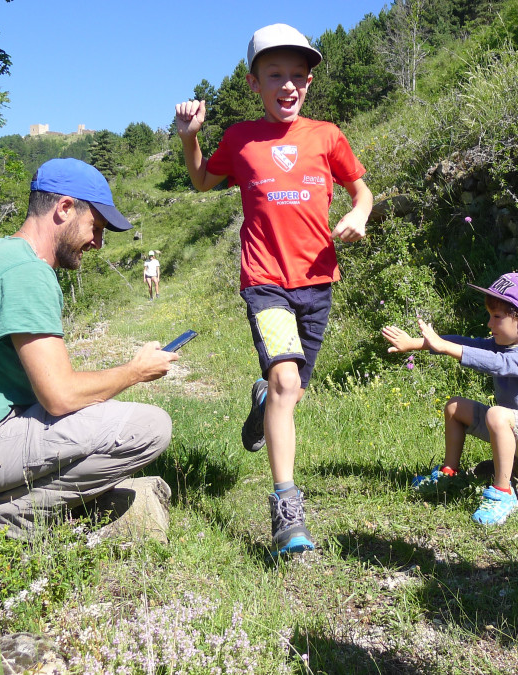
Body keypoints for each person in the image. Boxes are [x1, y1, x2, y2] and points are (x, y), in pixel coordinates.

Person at [173, 23, 372, 555]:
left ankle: (263, 400)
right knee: (288, 384)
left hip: (318, 281)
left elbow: (362, 188)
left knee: (289, 392)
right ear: (253, 81)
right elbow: (201, 182)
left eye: (298, 77)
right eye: (276, 75)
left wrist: (359, 211)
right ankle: (287, 510)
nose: (289, 86)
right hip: (265, 282)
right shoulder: (240, 139)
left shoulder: (327, 135)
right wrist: (190, 137)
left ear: (308, 83)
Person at [0, 158, 180, 539]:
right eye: (97, 226)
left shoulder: (2, 257)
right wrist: (135, 371)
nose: (98, 242)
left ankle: (5, 504)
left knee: (106, 412)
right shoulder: (26, 273)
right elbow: (59, 396)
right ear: (64, 208)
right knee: (150, 427)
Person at [381, 273, 518, 526]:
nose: (489, 324)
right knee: (455, 407)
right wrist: (413, 343)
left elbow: (499, 364)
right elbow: (470, 344)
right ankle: (449, 473)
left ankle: (503, 494)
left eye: (496, 317)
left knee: (497, 414)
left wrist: (445, 348)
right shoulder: (505, 342)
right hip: (509, 428)